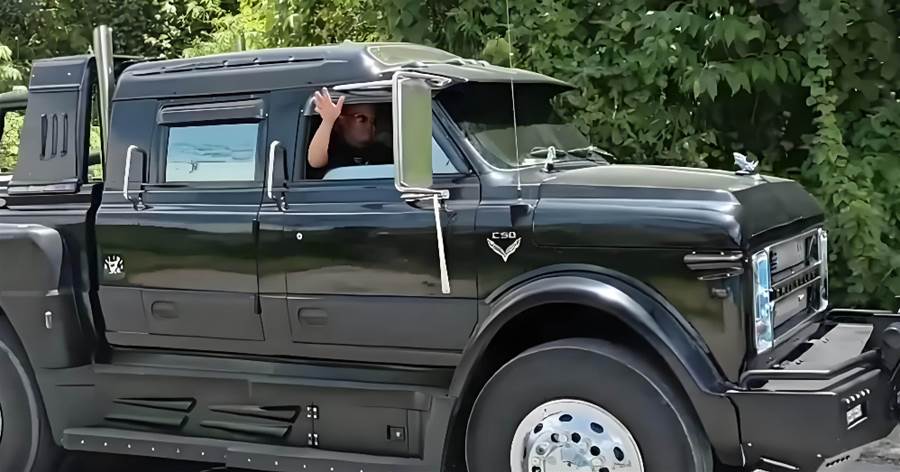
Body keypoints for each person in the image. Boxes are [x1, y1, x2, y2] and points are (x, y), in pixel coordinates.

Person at [306, 87, 393, 178]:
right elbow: (315, 161)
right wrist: (328, 120)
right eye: (362, 118)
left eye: (373, 121)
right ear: (340, 121)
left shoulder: (382, 151)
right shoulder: (333, 150)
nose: (371, 126)